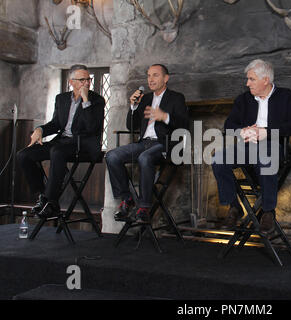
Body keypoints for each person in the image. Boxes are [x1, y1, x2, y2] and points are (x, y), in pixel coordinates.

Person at [212, 59, 291, 233]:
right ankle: (234, 207)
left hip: (275, 144)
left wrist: (266, 132)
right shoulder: (244, 99)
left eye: (251, 79)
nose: (247, 83)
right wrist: (242, 132)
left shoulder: (287, 96)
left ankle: (268, 211)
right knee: (218, 159)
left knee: (266, 155)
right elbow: (229, 125)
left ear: (265, 80)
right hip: (247, 146)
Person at [17, 64, 105, 217]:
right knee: (23, 155)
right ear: (71, 82)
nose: (87, 83)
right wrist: (40, 130)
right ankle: (42, 197)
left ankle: (51, 201)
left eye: (88, 79)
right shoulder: (62, 98)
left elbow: (92, 128)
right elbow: (56, 124)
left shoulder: (97, 100)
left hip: (84, 145)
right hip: (62, 141)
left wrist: (85, 100)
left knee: (57, 151)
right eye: (82, 79)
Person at [105, 64, 189, 223]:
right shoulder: (146, 99)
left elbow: (184, 125)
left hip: (165, 145)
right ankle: (127, 199)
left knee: (145, 158)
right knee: (112, 156)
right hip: (144, 143)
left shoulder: (176, 98)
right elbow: (131, 126)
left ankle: (144, 206)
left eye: (155, 75)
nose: (151, 79)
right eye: (149, 76)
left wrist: (165, 117)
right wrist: (134, 106)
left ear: (166, 78)